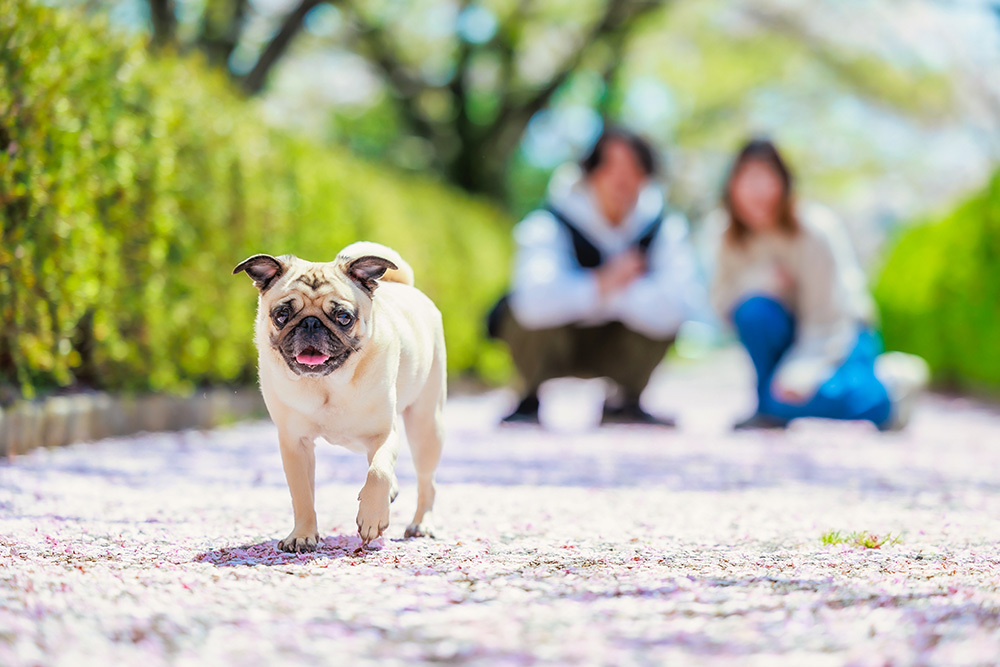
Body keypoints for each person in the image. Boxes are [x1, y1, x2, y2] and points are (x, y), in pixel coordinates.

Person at [708, 138, 928, 431]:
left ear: (784, 183)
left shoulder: (813, 229)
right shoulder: (730, 238)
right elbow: (723, 306)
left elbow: (829, 317)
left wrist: (801, 372)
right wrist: (759, 282)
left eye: (766, 178)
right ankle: (771, 404)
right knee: (754, 311)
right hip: (790, 339)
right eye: (747, 179)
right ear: (731, 187)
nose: (757, 191)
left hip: (840, 337)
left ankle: (888, 393)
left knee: (786, 399)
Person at [491, 127, 702, 426]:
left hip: (621, 344)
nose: (621, 179)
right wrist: (602, 283)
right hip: (558, 343)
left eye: (633, 168)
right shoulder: (550, 223)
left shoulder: (664, 229)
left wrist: (606, 294)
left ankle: (625, 401)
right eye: (610, 166)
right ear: (589, 173)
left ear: (647, 177)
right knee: (516, 310)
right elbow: (531, 300)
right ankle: (528, 395)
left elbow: (679, 305)